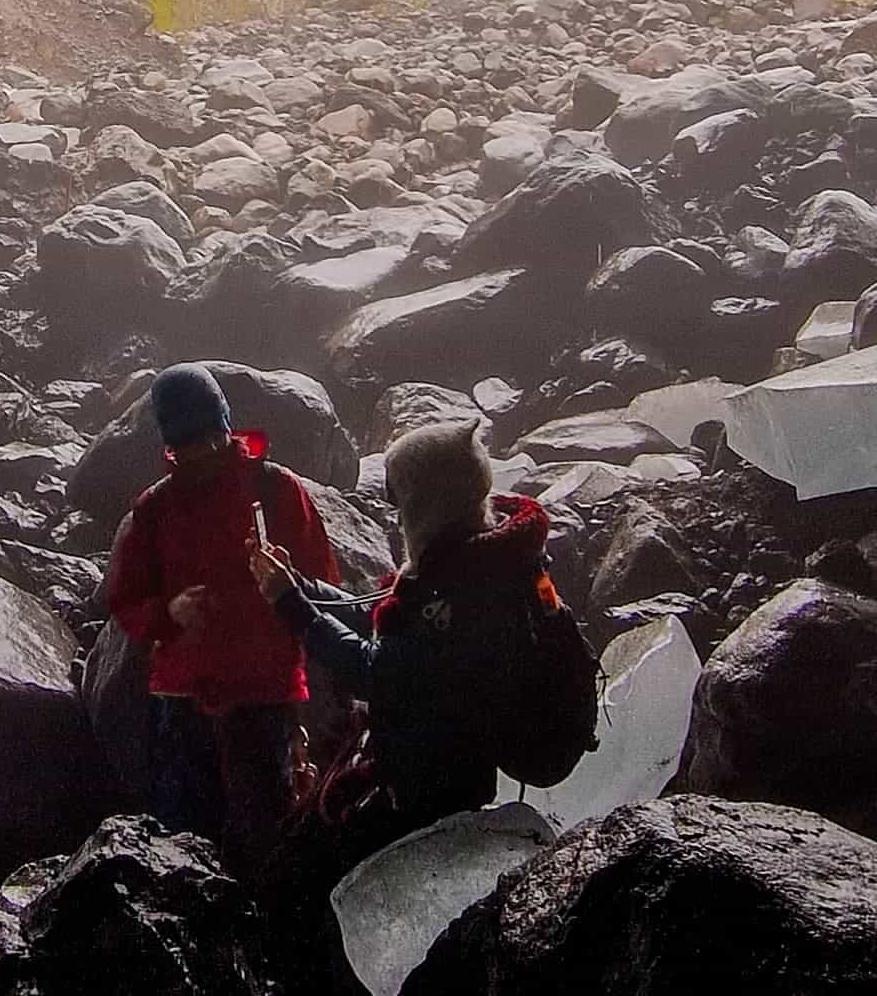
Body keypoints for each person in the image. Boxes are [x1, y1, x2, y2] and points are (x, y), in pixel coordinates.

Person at [249, 415, 597, 834]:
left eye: (397, 497)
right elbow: (384, 620)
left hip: (432, 796)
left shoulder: (464, 592)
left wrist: (292, 605)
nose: (395, 514)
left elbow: (374, 671)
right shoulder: (473, 557)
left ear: (426, 502)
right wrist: (301, 586)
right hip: (430, 770)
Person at [101, 364, 343, 874]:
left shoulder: (277, 489)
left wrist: (286, 583)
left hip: (266, 696)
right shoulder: (154, 509)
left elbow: (327, 586)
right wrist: (168, 613)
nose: (203, 454)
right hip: (186, 700)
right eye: (187, 445)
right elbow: (125, 599)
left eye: (212, 440)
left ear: (227, 428)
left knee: (268, 844)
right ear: (170, 445)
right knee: (185, 845)